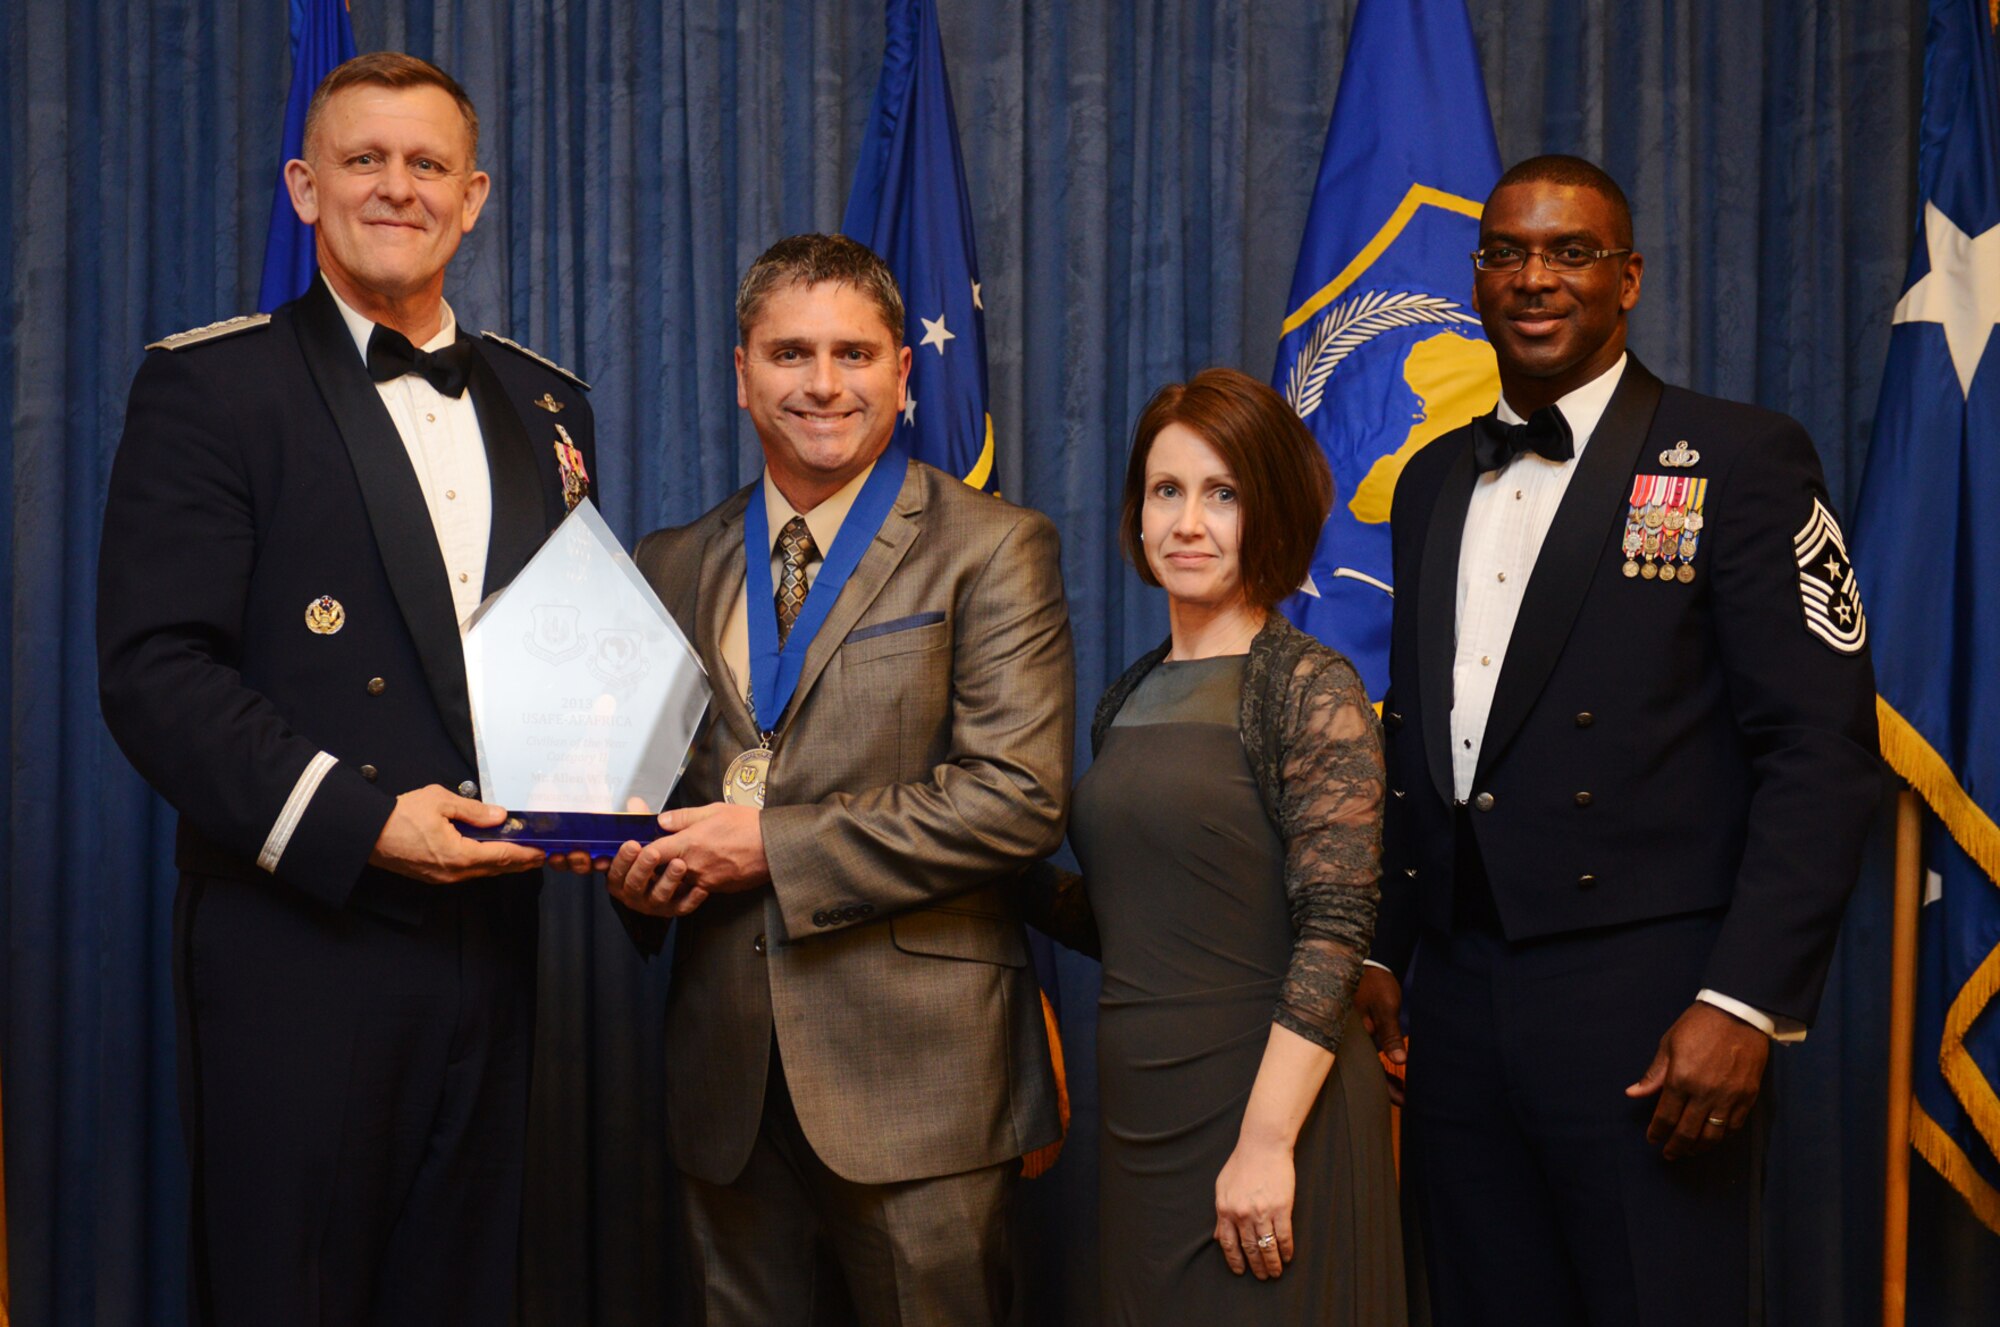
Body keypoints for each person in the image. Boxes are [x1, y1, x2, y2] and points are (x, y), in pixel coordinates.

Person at [96, 53, 595, 1326]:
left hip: (496, 933)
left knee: (468, 1288)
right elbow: (155, 672)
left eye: (426, 164)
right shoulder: (211, 386)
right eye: (362, 160)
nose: (395, 187)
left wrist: (606, 798)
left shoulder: (546, 399)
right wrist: (365, 822)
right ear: (302, 185)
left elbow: (565, 654)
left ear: (473, 196)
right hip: (297, 936)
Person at [1354, 155, 1881, 1326]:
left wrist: (1743, 1001)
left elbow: (1819, 750)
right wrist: (1387, 948)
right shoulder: (1432, 478)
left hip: (1651, 1002)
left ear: (1626, 276)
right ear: (1475, 278)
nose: (1532, 278)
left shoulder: (1738, 459)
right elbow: (1424, 738)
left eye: (1568, 252)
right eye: (1505, 252)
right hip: (1458, 1002)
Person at [601, 233, 1072, 1326]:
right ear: (740, 372)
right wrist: (634, 869)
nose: (822, 383)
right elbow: (648, 789)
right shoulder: (671, 560)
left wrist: (768, 844)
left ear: (903, 372)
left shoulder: (992, 547)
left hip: (923, 1085)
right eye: (790, 353)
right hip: (724, 1078)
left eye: (853, 354)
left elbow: (1017, 796)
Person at [1024, 367, 1405, 1325]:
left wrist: (1268, 1141)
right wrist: (978, 859)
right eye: (1167, 490)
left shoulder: (1312, 687)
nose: (1188, 522)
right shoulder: (1128, 692)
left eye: (1222, 493)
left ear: (1269, 510)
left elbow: (1334, 929)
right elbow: (1138, 917)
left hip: (1276, 1112)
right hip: (1146, 1118)